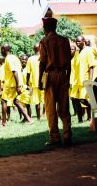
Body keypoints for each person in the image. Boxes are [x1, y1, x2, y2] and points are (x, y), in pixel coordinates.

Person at [38, 17, 72, 146]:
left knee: (50, 108)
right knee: (64, 107)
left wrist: (40, 81)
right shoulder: (65, 40)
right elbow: (69, 63)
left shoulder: (45, 41)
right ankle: (68, 135)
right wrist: (67, 78)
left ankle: (55, 138)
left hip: (50, 75)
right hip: (63, 74)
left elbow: (42, 63)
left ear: (46, 28)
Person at [0, 44, 32, 126]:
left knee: (4, 101)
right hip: (17, 83)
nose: (1, 51)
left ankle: (3, 123)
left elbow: (15, 72)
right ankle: (29, 119)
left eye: (1, 49)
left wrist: (17, 86)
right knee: (16, 101)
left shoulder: (8, 58)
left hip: (11, 84)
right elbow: (20, 69)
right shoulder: (15, 57)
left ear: (4, 49)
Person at [70, 36, 95, 123]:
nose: (77, 43)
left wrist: (91, 80)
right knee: (75, 99)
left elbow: (91, 66)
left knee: (83, 99)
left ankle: (92, 113)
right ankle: (80, 119)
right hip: (77, 81)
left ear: (83, 41)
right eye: (76, 41)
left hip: (85, 79)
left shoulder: (88, 50)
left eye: (79, 41)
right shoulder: (77, 53)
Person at [26, 44, 42, 120]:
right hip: (44, 82)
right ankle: (48, 115)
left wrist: (27, 82)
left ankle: (38, 117)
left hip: (35, 83)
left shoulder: (30, 59)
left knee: (37, 102)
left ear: (33, 49)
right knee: (47, 101)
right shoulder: (44, 57)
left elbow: (28, 72)